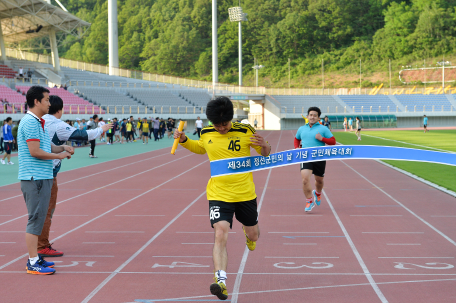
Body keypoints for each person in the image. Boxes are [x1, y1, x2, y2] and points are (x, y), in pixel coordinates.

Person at [174, 96, 271, 300]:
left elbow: (265, 154)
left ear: (231, 119)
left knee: (254, 235)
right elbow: (201, 148)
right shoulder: (207, 132)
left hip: (245, 193)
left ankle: (248, 231)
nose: (221, 128)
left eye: (224, 124)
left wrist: (265, 145)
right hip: (218, 193)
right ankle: (221, 281)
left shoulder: (246, 131)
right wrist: (184, 141)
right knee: (220, 232)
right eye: (217, 125)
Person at [41, 95, 110, 257]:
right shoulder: (56, 123)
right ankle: (41, 245)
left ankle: (39, 244)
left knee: (39, 210)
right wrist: (102, 129)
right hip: (46, 172)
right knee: (46, 210)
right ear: (60, 109)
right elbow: (81, 135)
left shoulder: (38, 120)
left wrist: (62, 148)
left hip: (37, 170)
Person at [18, 86, 73, 275]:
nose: (50, 103)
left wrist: (63, 148)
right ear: (36, 102)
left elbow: (47, 146)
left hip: (42, 176)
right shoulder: (30, 122)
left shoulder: (38, 122)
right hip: (35, 177)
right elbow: (35, 152)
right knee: (35, 219)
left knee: (40, 218)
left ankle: (35, 258)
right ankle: (32, 261)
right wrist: (60, 157)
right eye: (47, 100)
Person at [294, 107, 336, 212]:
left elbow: (333, 141)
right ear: (307, 116)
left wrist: (322, 139)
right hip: (305, 156)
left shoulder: (323, 129)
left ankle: (317, 193)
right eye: (311, 115)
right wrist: (296, 148)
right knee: (305, 180)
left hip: (319, 157)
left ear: (318, 118)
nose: (312, 117)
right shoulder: (301, 129)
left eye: (315, 115)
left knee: (319, 180)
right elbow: (297, 138)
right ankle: (309, 200)